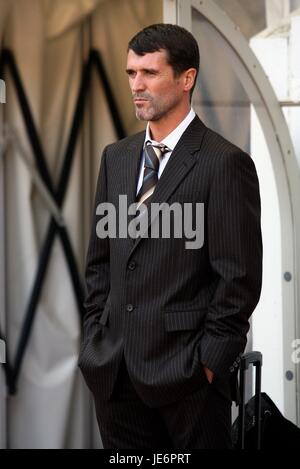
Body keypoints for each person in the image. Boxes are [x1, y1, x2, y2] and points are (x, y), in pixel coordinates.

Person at [78, 23, 262, 449]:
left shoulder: (224, 164)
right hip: (114, 375)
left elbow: (238, 280)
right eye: (130, 74)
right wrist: (94, 340)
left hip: (188, 382)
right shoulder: (117, 158)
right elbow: (99, 263)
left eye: (149, 73)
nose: (136, 86)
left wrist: (208, 367)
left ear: (186, 78)